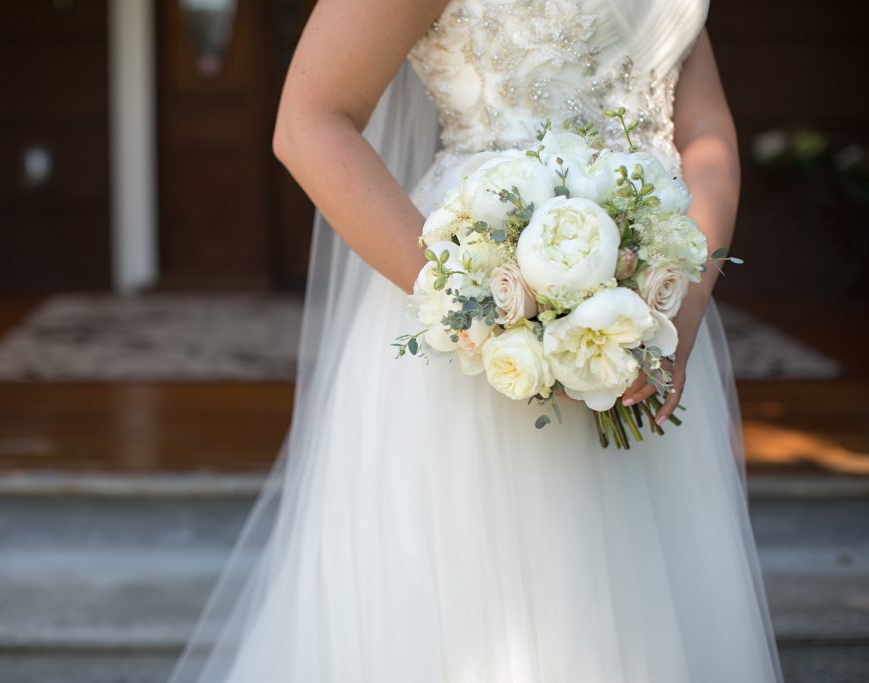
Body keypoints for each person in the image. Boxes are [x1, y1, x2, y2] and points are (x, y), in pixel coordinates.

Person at [169, 1, 785, 681]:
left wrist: (682, 307)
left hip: (648, 321)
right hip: (469, 327)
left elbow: (705, 132)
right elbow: (308, 123)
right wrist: (481, 306)